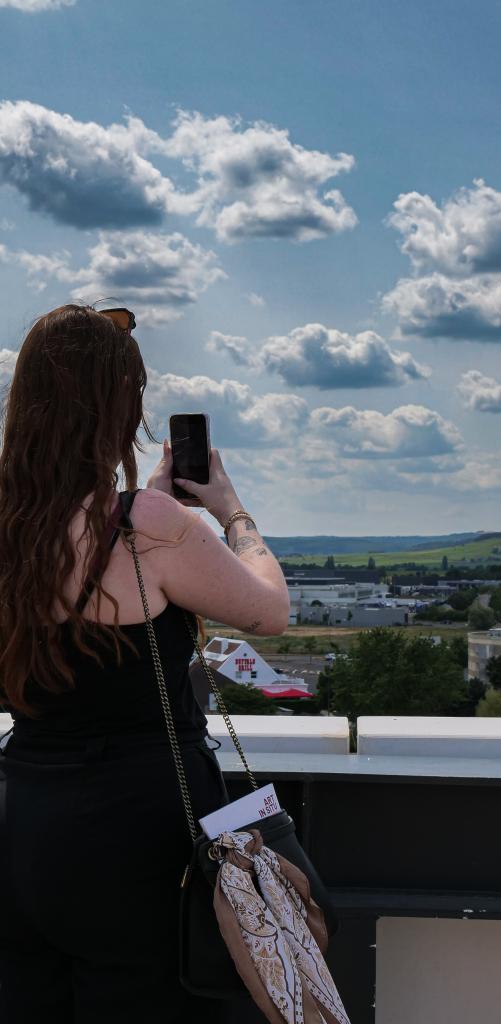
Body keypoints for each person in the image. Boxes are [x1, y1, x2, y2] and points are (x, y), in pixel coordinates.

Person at [0, 304, 290, 1023]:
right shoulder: (147, 527)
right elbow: (267, 611)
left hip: (24, 822)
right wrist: (232, 514)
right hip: (141, 832)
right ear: (118, 407)